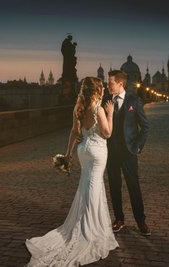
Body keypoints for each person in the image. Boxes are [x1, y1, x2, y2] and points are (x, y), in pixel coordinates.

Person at [25, 77, 118, 266]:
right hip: (98, 152)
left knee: (87, 185)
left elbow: (74, 133)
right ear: (97, 91)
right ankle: (89, 228)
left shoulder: (78, 109)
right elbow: (107, 133)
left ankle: (89, 222)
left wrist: (68, 155)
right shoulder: (98, 109)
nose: (103, 91)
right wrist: (110, 114)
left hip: (83, 151)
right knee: (94, 187)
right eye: (101, 88)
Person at [105, 70, 151, 236]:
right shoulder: (106, 100)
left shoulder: (134, 100)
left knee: (134, 187)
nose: (107, 85)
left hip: (129, 152)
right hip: (111, 153)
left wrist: (138, 146)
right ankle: (119, 219)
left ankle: (141, 221)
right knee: (114, 187)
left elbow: (145, 127)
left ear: (120, 84)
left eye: (110, 83)